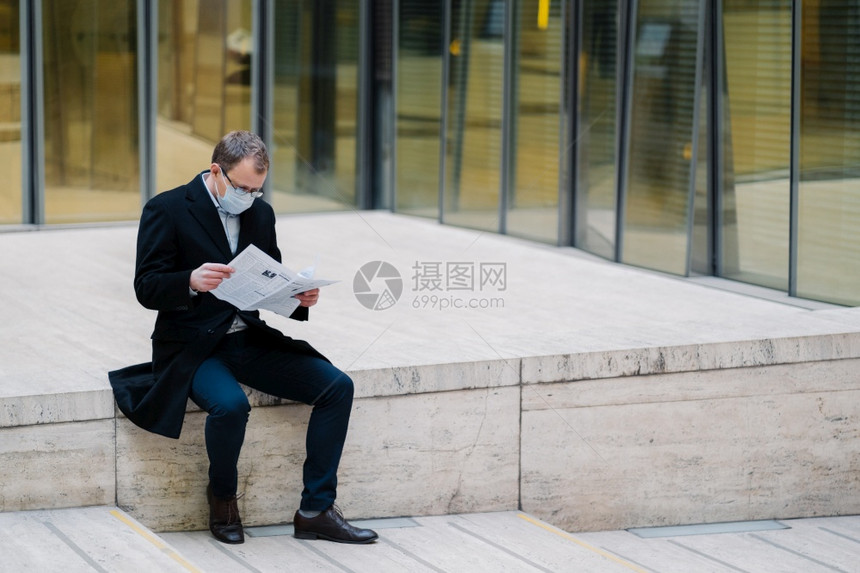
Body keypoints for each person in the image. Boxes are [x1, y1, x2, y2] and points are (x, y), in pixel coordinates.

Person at [108, 130, 377, 545]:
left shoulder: (260, 212)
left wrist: (299, 297)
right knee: (230, 406)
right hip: (193, 346)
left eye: (258, 189)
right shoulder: (168, 208)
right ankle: (222, 499)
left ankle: (315, 511)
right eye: (243, 188)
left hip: (245, 338)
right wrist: (191, 281)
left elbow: (269, 284)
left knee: (337, 387)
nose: (250, 197)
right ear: (217, 171)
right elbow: (147, 287)